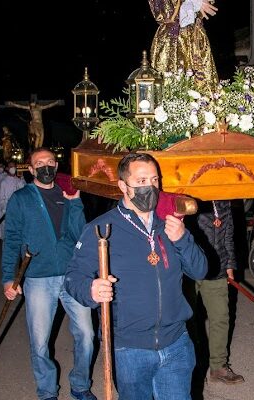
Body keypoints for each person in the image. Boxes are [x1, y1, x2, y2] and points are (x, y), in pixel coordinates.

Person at [65, 152, 208, 400]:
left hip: (176, 343)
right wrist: (91, 289)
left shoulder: (170, 224)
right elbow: (73, 277)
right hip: (129, 349)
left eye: (154, 180)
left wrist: (183, 239)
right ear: (123, 185)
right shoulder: (101, 229)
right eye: (141, 181)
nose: (149, 187)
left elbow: (200, 270)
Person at [1, 148, 96, 400]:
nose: (45, 167)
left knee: (87, 335)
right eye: (39, 163)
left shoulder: (68, 194)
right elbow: (11, 240)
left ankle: (80, 384)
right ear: (30, 169)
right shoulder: (21, 198)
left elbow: (80, 234)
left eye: (50, 162)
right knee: (40, 342)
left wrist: (75, 203)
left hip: (73, 275)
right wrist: (9, 278)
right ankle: (46, 391)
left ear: (56, 165)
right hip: (38, 278)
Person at [186, 200, 245, 384]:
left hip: (217, 269)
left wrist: (229, 265)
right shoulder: (190, 198)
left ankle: (218, 367)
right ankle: (192, 368)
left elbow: (228, 236)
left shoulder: (224, 202)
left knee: (220, 317)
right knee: (189, 319)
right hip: (190, 269)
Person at [149, 0, 219, 95]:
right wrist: (191, 3)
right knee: (170, 88)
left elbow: (207, 4)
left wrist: (196, 4)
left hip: (196, 37)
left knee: (203, 91)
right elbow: (165, 13)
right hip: (172, 40)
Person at [0, 161, 26, 240]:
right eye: (10, 166)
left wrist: (22, 178)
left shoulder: (18, 180)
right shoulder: (4, 182)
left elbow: (24, 191)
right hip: (7, 210)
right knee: (7, 234)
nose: (12, 168)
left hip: (18, 210)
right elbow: (1, 199)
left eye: (14, 166)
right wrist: (5, 210)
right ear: (7, 168)